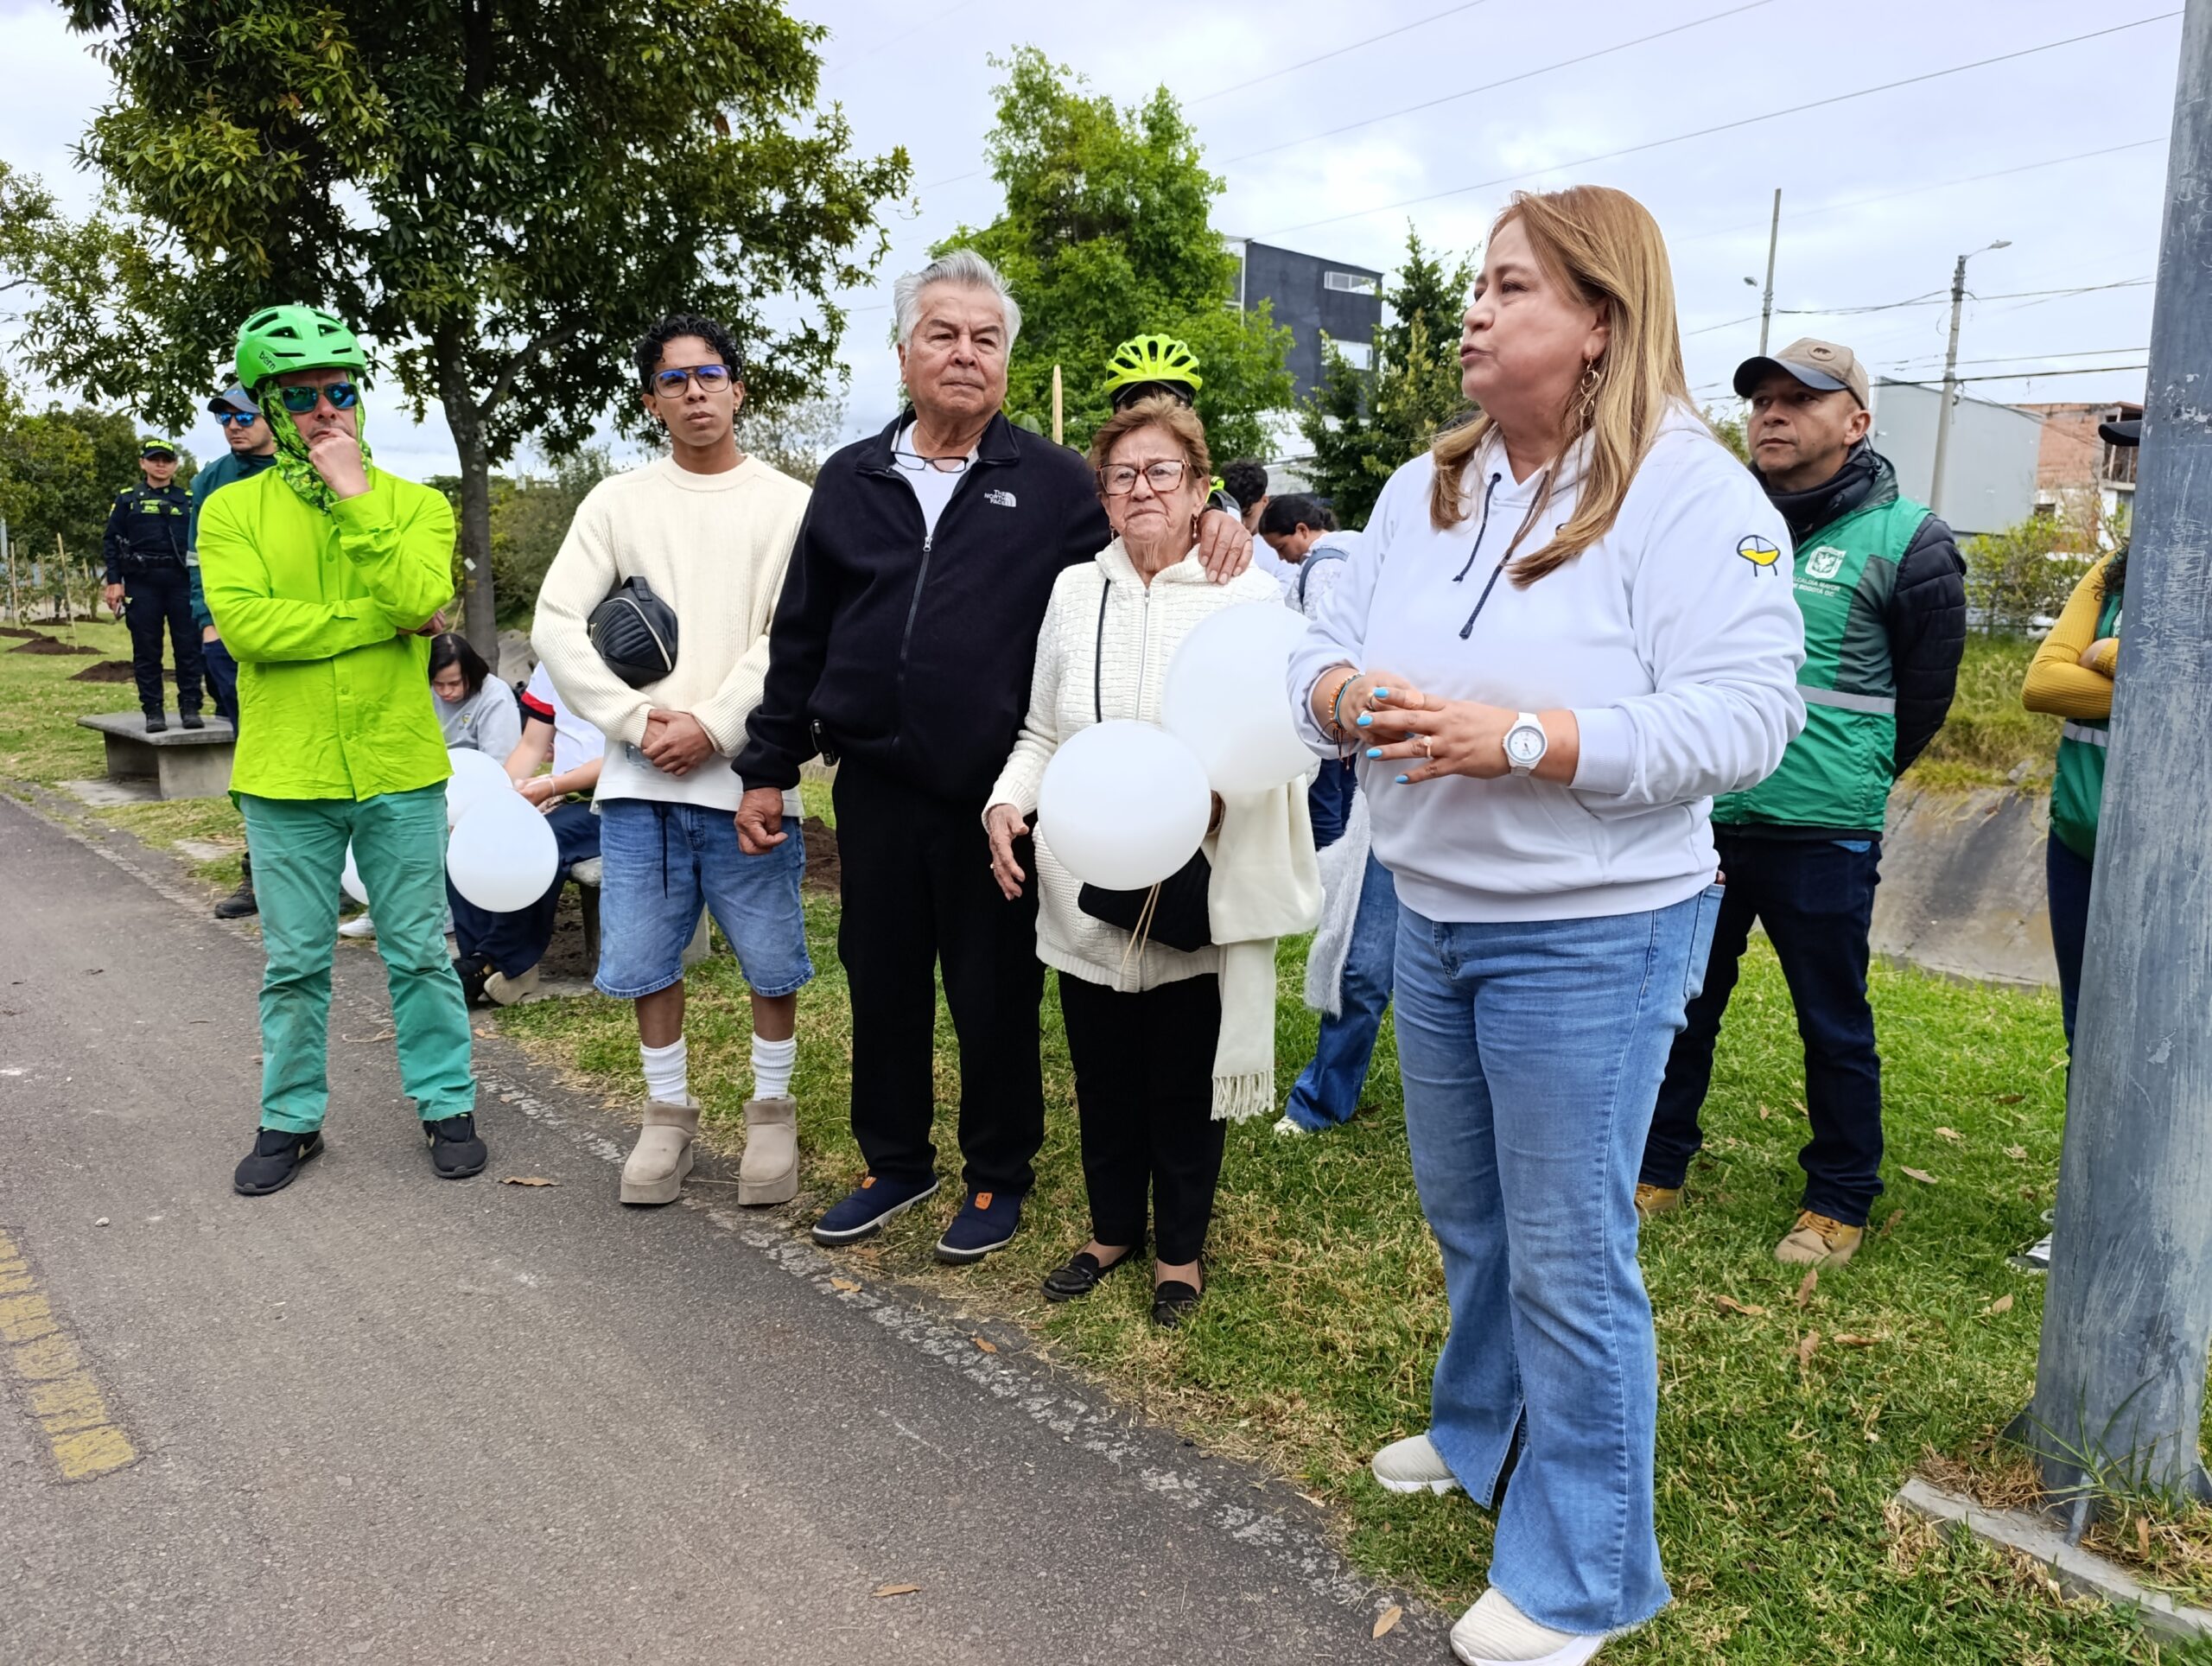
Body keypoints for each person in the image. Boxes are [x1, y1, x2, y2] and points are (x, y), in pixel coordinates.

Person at [1287, 186, 1803, 1663]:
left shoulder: (1695, 495)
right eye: (1476, 284)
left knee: (1571, 1250)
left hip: (1596, 928)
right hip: (1432, 905)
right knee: (1472, 1216)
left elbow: (1754, 715)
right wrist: (1335, 698)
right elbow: (1319, 645)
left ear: (1601, 323)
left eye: (1512, 286)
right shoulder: (1422, 489)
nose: (1475, 308)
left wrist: (1531, 736)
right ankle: (1478, 1430)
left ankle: (1583, 1572)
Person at [733, 250, 1252, 1263]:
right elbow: (800, 634)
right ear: (903, 352)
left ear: (1007, 359)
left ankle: (994, 1170)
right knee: (878, 979)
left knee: (992, 993)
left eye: (986, 338)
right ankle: (893, 1158)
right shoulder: (849, 479)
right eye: (944, 333)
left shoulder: (1054, 482)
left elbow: (1140, 530)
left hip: (993, 793)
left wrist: (1220, 518)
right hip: (872, 784)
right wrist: (767, 762)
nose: (965, 353)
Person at [983, 397, 1318, 1325]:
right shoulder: (1071, 591)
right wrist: (1007, 800)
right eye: (1121, 474)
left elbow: (1279, 739)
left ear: (1199, 486)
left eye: (1161, 472)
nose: (1140, 489)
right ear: (1101, 493)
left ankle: (1179, 1250)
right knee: (1101, 1072)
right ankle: (1109, 1229)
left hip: (1195, 884)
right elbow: (1043, 730)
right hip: (1081, 882)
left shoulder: (1244, 597)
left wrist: (1211, 800)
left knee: (1181, 1078)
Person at [1637, 338, 1966, 1269]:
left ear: (1855, 422)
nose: (1771, 415)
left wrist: (1850, 773)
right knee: (1681, 1004)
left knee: (1830, 1016)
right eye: (1762, 400)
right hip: (1704, 816)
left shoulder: (1911, 540)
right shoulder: (1716, 520)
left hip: (1824, 828)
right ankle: (1656, 1164)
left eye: (1799, 400)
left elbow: (1923, 695)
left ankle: (1837, 1197)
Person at [197, 302, 484, 1196]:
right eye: (303, 396)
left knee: (419, 950)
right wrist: (378, 622)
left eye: (341, 391)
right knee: (294, 962)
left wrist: (357, 496)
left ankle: (446, 1102)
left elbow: (420, 594)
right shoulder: (231, 509)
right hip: (287, 776)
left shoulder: (414, 505)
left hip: (398, 768)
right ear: (270, 407)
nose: (327, 410)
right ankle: (289, 1118)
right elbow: (247, 629)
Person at [534, 312, 814, 1211]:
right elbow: (554, 623)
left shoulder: (788, 503)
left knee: (771, 960)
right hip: (637, 785)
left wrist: (718, 723)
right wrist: (632, 715)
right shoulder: (617, 503)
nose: (695, 391)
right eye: (674, 379)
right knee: (648, 957)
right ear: (650, 398)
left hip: (748, 782)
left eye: (711, 373)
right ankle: (667, 1115)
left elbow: (795, 634)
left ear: (740, 386)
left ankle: (772, 1111)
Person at [2015, 414, 2135, 1269]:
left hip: (2177, 868)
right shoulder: (2112, 566)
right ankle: (2090, 1216)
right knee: (2088, 1039)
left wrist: (2109, 652)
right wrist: (2139, 664)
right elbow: (2041, 682)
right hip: (2080, 847)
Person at [446, 660, 605, 1008]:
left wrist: (552, 785)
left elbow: (625, 754)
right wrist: (491, 798)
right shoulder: (554, 660)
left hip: (617, 797)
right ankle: (477, 960)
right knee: (470, 834)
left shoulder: (630, 643)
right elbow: (532, 745)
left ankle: (502, 962)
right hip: (564, 796)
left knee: (539, 841)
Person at [340, 632, 518, 943]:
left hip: (476, 791)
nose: (446, 692)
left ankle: (441, 911)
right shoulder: (418, 692)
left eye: (454, 683)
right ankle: (381, 909)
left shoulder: (495, 695)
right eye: (439, 684)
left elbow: (499, 764)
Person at [188, 383, 280, 919]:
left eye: (244, 415)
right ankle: (260, 875)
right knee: (253, 757)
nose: (233, 424)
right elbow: (199, 560)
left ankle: (339, 874)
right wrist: (209, 624)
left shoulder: (304, 469)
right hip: (231, 637)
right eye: (224, 416)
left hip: (305, 635)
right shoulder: (211, 480)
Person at [102, 437, 204, 734]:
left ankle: (190, 706)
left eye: (167, 460)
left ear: (175, 464)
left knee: (189, 647)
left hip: (181, 581)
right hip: (142, 582)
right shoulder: (128, 499)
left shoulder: (188, 499)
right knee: (146, 649)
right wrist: (114, 582)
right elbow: (111, 542)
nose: (161, 465)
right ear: (143, 463)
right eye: (154, 459)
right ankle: (153, 710)